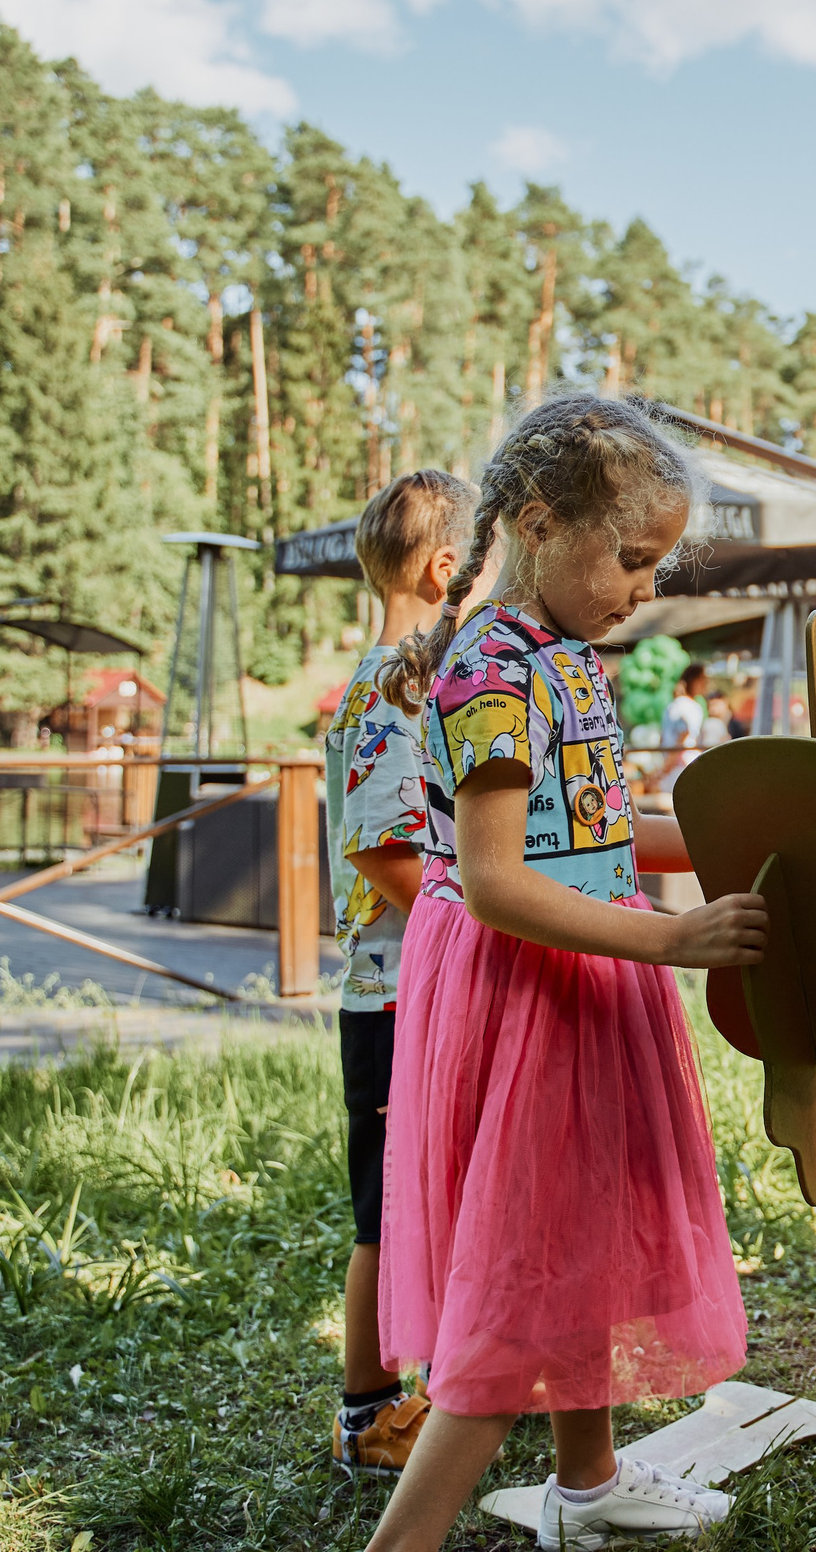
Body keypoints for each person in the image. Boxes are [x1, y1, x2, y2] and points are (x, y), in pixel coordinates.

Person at [363, 394, 769, 1552]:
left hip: (586, 976)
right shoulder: (494, 667)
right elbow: (495, 880)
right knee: (518, 1277)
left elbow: (589, 829)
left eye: (657, 565)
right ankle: (404, 1542)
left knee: (577, 1234)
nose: (646, 588)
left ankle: (587, 1487)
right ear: (538, 524)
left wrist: (734, 835)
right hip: (527, 988)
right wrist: (672, 940)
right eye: (632, 558)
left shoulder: (569, 652)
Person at [320, 468, 478, 1478]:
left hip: (419, 993)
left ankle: (437, 1384)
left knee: (425, 1195)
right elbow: (386, 851)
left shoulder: (407, 688)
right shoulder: (388, 693)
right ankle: (368, 1411)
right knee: (383, 1213)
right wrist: (481, 915)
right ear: (446, 570)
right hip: (390, 999)